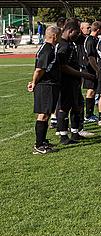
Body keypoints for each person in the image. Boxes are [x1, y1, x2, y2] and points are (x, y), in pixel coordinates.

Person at [28, 26, 61, 154]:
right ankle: (38, 145)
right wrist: (34, 82)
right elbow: (39, 69)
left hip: (49, 84)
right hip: (45, 85)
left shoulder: (50, 48)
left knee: (46, 114)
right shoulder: (47, 49)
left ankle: (43, 141)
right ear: (54, 36)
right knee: (43, 114)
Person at [81, 21, 101, 123]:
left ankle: (90, 113)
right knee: (91, 91)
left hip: (93, 68)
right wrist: (97, 69)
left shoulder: (95, 39)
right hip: (89, 69)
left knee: (93, 90)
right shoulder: (90, 40)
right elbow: (90, 57)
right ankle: (88, 114)